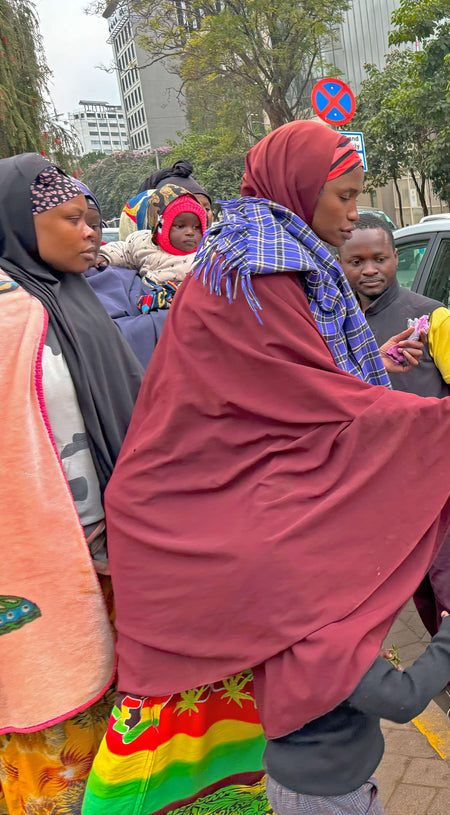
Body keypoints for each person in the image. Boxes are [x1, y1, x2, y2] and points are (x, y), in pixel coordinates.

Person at [82, 120, 450, 815]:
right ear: (301, 188)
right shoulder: (264, 271)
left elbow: (299, 382)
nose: (355, 212)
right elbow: (315, 402)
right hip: (218, 508)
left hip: (213, 492)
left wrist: (376, 371)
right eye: (346, 195)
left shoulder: (262, 254)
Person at [0, 154, 142, 815]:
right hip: (44, 570)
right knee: (57, 753)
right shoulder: (7, 315)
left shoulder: (78, 301)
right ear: (22, 227)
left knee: (125, 735)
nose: (91, 231)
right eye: (72, 218)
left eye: (92, 218)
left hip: (117, 556)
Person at [339, 214, 450, 745]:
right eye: (355, 261)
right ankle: (437, 671)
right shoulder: (334, 325)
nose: (369, 270)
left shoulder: (432, 320)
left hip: (438, 482)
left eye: (379, 258)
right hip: (374, 486)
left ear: (396, 256)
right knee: (411, 588)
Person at [265, 594, 450, 815]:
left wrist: (365, 659)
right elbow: (404, 699)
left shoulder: (290, 627)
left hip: (288, 779)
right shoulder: (334, 646)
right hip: (329, 797)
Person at [75, 180, 170, 368]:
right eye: (72, 222)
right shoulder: (27, 294)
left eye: (94, 225)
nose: (88, 233)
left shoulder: (125, 279)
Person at [100, 183, 208, 286]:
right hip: (146, 299)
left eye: (196, 227)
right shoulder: (143, 243)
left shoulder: (207, 256)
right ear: (160, 227)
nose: (190, 232)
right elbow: (124, 251)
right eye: (180, 226)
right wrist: (104, 256)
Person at [119, 159, 214, 240]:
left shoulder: (217, 257)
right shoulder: (115, 257)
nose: (202, 215)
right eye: (188, 210)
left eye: (207, 209)